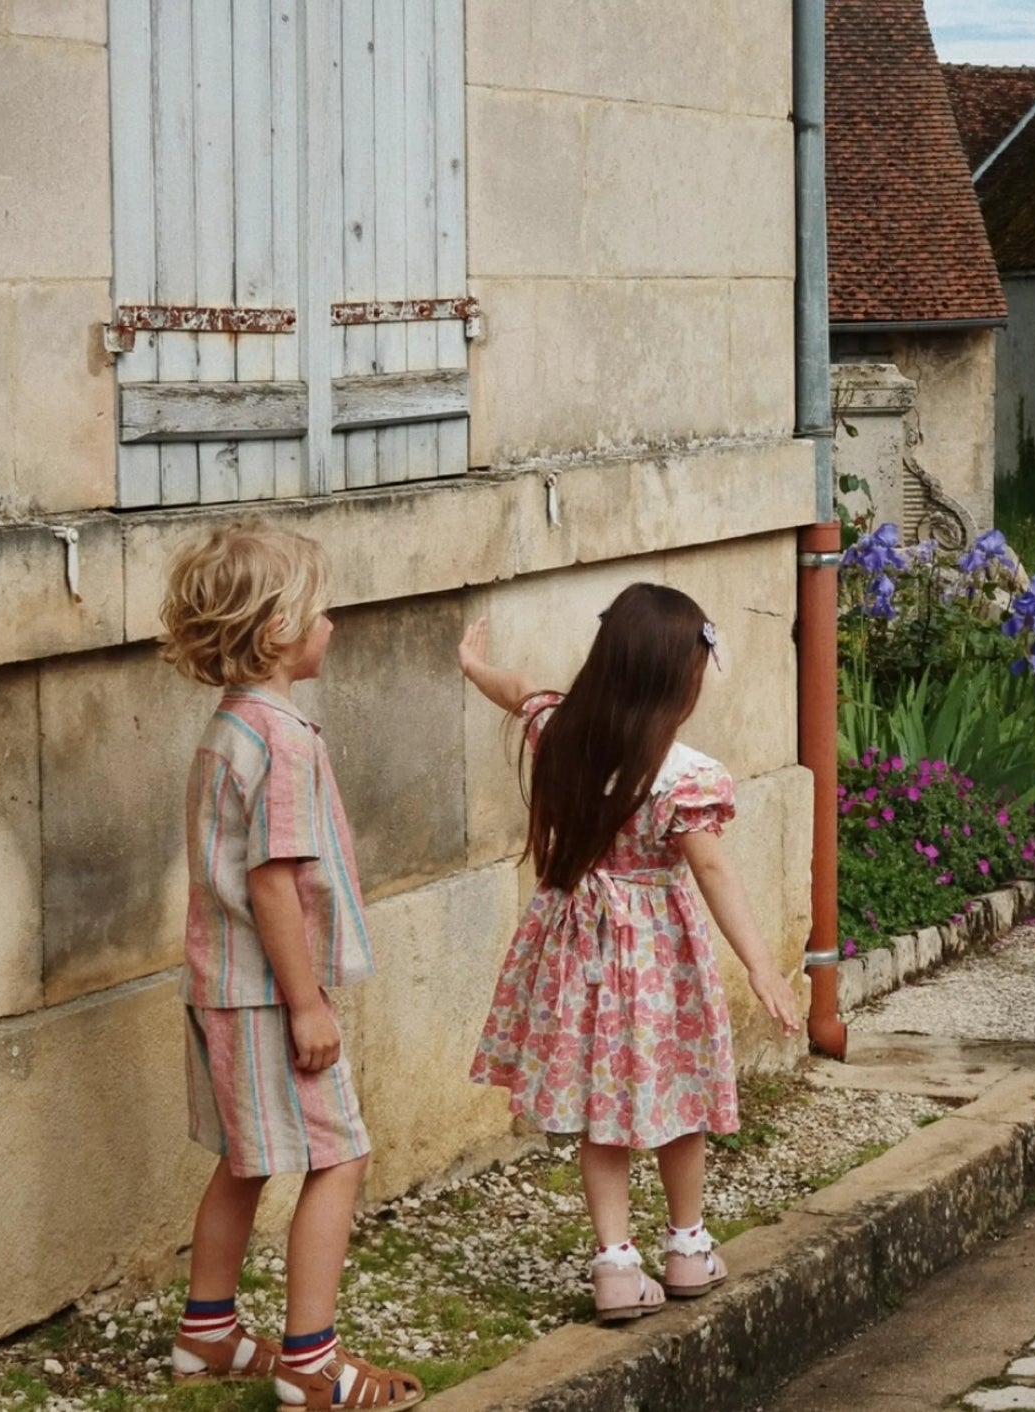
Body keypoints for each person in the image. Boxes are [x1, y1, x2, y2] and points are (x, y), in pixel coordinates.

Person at [459, 583, 801, 1324]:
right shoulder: (682, 777)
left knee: (601, 1107)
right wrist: (761, 965)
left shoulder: (559, 733)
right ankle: (686, 1247)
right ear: (678, 680)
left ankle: (615, 1265)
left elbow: (518, 693)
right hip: (656, 959)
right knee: (677, 1098)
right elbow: (711, 870)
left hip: (575, 948)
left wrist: (470, 665)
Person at [160, 519, 422, 1410]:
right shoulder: (283, 740)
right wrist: (309, 1005)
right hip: (270, 996)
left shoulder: (229, 728)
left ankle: (208, 1335)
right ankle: (311, 1365)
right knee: (339, 1156)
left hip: (221, 984)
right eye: (323, 609)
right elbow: (273, 883)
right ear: (277, 631)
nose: (334, 623)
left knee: (246, 1157)